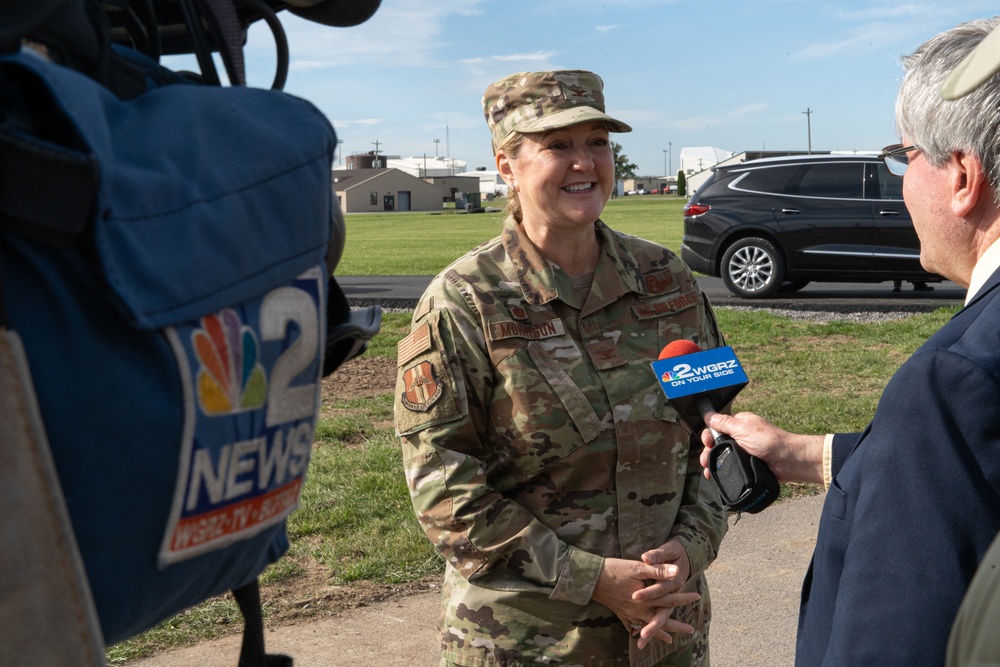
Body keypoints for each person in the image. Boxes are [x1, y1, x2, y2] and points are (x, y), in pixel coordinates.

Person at [394, 70, 728, 667]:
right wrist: (593, 579)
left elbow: (718, 434)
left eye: (597, 142)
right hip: (533, 641)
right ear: (507, 166)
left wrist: (690, 548)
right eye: (558, 146)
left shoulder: (666, 282)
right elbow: (446, 491)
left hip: (668, 629)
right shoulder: (465, 301)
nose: (585, 163)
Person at [697, 17, 1000, 667]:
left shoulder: (954, 379)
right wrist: (803, 452)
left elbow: (895, 636)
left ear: (963, 178)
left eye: (906, 156)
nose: (900, 182)